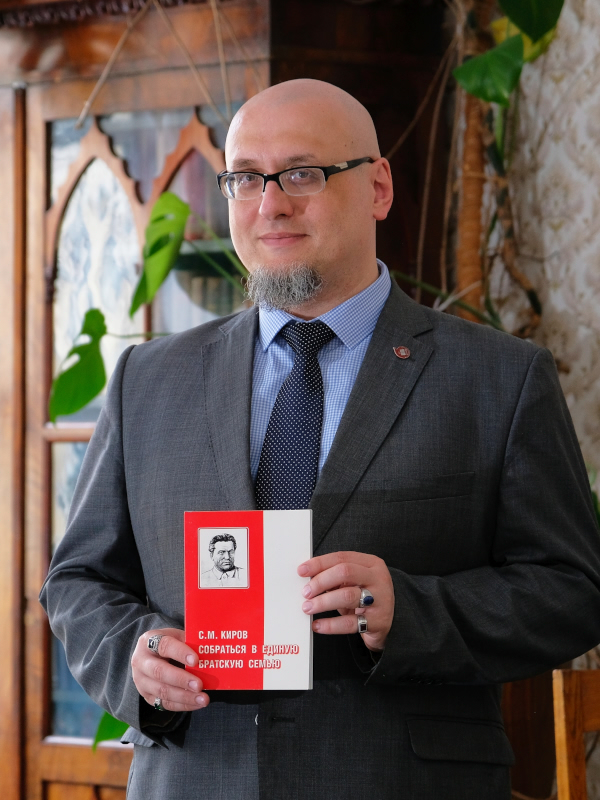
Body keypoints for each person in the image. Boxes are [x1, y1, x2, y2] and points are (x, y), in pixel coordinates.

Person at [41, 79, 600, 800]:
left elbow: (572, 592)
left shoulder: (500, 377)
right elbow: (79, 581)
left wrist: (410, 610)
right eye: (246, 178)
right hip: (197, 779)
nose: (270, 203)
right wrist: (134, 657)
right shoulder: (147, 379)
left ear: (378, 187)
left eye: (302, 173)